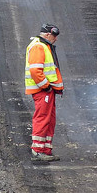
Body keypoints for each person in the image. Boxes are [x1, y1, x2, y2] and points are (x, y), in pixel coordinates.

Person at [24, 23, 64, 162]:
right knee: (42, 119)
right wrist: (46, 86)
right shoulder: (39, 46)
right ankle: (38, 151)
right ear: (47, 35)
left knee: (49, 120)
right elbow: (35, 71)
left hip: (47, 91)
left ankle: (45, 150)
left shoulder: (42, 46)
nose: (56, 39)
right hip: (43, 91)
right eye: (54, 36)